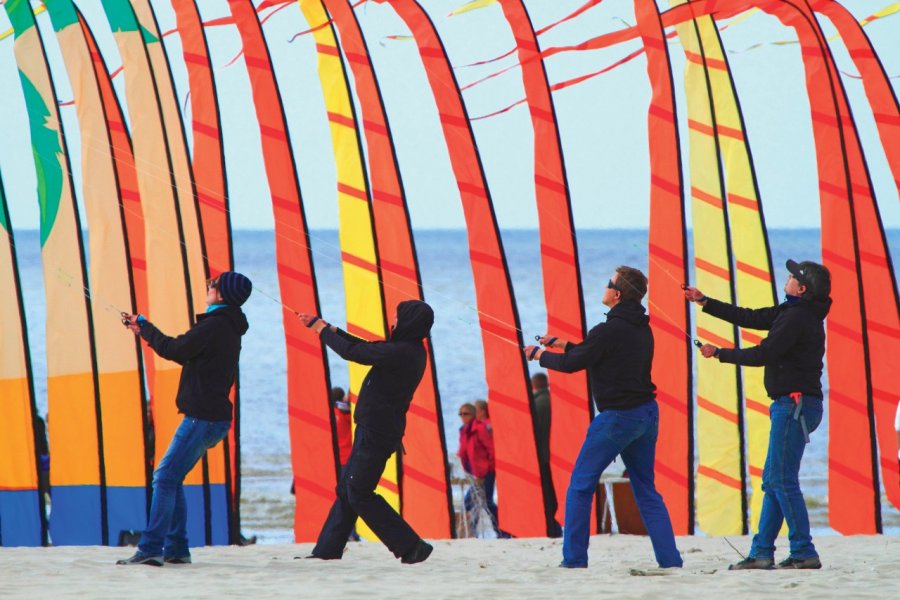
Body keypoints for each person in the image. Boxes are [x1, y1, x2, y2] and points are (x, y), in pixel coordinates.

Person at [524, 266, 682, 569]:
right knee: (646, 490)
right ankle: (671, 561)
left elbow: (573, 364)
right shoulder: (640, 326)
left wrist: (538, 356)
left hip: (618, 418)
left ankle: (573, 560)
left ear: (618, 294)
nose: (605, 286)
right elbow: (592, 353)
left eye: (608, 283)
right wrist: (562, 344)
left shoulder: (608, 330)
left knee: (580, 486)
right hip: (647, 414)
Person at [685, 259, 831, 570]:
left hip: (795, 406)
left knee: (781, 480)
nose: (787, 277)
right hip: (793, 405)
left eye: (792, 276)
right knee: (773, 480)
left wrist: (720, 353)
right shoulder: (792, 312)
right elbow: (750, 317)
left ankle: (803, 551)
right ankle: (762, 552)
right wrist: (704, 301)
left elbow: (764, 354)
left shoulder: (797, 318)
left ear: (801, 288)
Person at [117, 272, 252, 566]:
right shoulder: (227, 324)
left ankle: (150, 548)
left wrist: (144, 327)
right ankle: (177, 549)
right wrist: (144, 329)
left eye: (213, 284)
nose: (208, 286)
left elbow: (174, 349)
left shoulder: (217, 325)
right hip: (212, 418)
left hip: (202, 417)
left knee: (164, 477)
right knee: (172, 479)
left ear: (223, 294)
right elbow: (183, 353)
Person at [299, 300, 435, 564]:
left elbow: (354, 353)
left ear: (408, 321)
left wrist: (320, 329)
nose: (392, 321)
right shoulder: (404, 349)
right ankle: (326, 552)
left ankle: (411, 546)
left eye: (396, 317)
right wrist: (331, 329)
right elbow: (365, 347)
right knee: (348, 489)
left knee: (358, 492)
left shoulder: (404, 352)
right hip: (374, 429)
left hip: (377, 431)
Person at [457, 401, 500, 536]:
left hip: (485, 472)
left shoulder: (481, 428)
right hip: (475, 474)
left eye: (466, 414)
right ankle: (473, 532)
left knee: (482, 502)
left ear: (474, 414)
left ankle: (501, 531)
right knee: (476, 503)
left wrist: (489, 470)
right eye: (460, 414)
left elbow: (491, 450)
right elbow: (463, 451)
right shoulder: (464, 431)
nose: (463, 416)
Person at [531, 372, 562, 537]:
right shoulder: (554, 401)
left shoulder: (535, 404)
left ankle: (551, 529)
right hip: (555, 455)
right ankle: (557, 528)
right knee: (555, 493)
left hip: (541, 457)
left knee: (546, 495)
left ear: (533, 385)